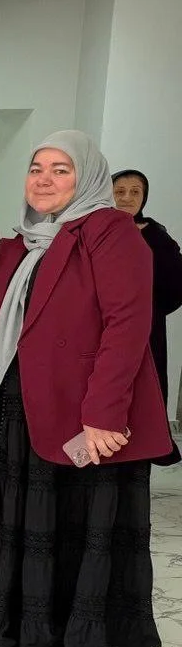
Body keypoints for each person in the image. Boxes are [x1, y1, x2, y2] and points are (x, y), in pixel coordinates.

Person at [0, 131, 170, 647]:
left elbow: (127, 327)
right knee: (21, 521)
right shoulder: (20, 244)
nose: (44, 179)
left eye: (60, 169)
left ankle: (52, 639)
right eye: (36, 168)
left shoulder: (111, 233)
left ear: (87, 177)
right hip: (18, 406)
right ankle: (15, 627)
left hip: (80, 414)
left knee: (66, 526)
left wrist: (103, 413)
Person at [113, 169, 182, 465]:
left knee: (143, 388)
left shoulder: (157, 237)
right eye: (120, 191)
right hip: (100, 326)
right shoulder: (95, 230)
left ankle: (143, 447)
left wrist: (147, 309)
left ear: (144, 196)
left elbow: (176, 285)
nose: (127, 198)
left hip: (145, 330)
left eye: (135, 191)